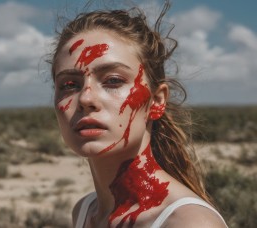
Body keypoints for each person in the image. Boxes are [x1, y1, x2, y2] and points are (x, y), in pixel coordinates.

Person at [49, 1, 228, 227]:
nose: (85, 98)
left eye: (113, 81)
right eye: (69, 84)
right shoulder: (85, 211)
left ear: (156, 101)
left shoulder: (188, 222)